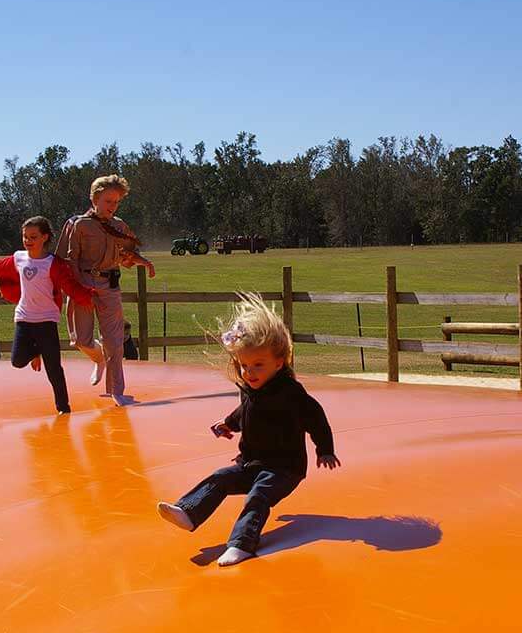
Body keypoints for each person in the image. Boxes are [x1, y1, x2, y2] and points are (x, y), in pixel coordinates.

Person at [156, 294, 341, 567]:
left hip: (284, 469)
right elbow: (246, 412)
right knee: (220, 478)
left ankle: (242, 544)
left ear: (279, 363)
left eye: (257, 365)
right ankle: (189, 512)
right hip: (252, 464)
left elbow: (316, 418)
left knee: (259, 496)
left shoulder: (290, 393)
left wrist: (324, 450)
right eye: (244, 366)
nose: (249, 373)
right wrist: (229, 424)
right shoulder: (251, 390)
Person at [0, 216, 93, 415]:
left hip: (46, 320)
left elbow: (70, 287)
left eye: (33, 237)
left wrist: (91, 298)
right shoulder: (19, 258)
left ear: (44, 237)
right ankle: (36, 351)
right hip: (24, 319)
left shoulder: (53, 263)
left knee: (53, 369)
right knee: (18, 361)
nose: (27, 241)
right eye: (25, 236)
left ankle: (63, 408)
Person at [56, 174, 155, 407]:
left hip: (109, 287)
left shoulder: (119, 226)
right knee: (81, 340)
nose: (113, 206)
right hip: (82, 286)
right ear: (95, 199)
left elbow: (127, 255)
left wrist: (143, 262)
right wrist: (78, 288)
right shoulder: (78, 225)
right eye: (108, 201)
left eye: (117, 201)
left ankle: (116, 390)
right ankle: (98, 358)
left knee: (115, 341)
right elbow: (67, 260)